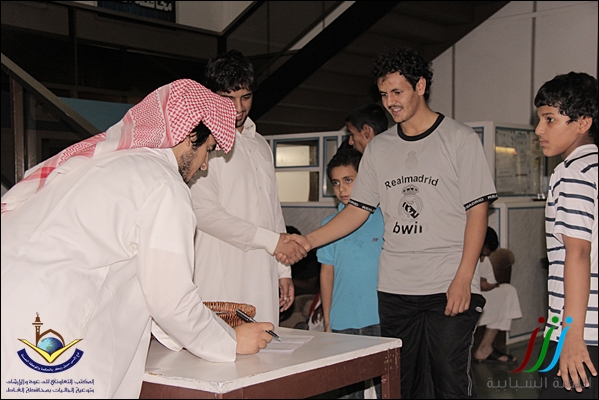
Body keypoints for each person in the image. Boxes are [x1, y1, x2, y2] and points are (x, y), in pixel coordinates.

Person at [0, 79, 274, 398]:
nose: (204, 167)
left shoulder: (108, 166)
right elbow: (171, 300)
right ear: (189, 136)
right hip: (51, 331)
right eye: (208, 150)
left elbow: (148, 287)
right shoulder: (163, 184)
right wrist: (230, 341)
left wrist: (187, 332)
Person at [286, 47, 497, 399]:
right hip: (396, 288)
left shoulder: (459, 139)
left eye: (397, 92)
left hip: (447, 283)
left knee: (449, 382)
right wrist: (307, 241)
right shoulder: (379, 148)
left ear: (421, 86)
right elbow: (356, 211)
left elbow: (478, 211)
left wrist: (464, 277)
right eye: (384, 94)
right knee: (404, 385)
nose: (390, 102)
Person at [190, 50, 304, 326]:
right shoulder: (202, 142)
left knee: (265, 344)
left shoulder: (260, 144)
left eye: (246, 97)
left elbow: (273, 209)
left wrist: (283, 271)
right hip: (221, 272)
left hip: (263, 270)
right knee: (223, 347)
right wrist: (272, 242)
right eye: (228, 98)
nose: (239, 108)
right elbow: (204, 213)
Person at [534, 72, 597, 398]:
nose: (539, 130)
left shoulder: (572, 172)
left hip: (577, 335)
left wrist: (572, 335)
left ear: (582, 122)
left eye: (550, 119)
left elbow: (579, 252)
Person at [317, 147, 384, 399]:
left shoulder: (385, 219)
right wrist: (328, 320)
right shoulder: (328, 226)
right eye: (336, 182)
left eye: (348, 180)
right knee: (347, 390)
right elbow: (327, 274)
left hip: (379, 317)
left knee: (386, 387)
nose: (341, 189)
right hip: (343, 320)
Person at [473, 227, 522, 364]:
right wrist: (477, 283)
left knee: (508, 292)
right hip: (460, 297)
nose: (483, 259)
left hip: (480, 296)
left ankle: (485, 348)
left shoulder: (484, 260)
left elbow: (489, 282)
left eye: (486, 255)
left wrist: (485, 285)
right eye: (481, 254)